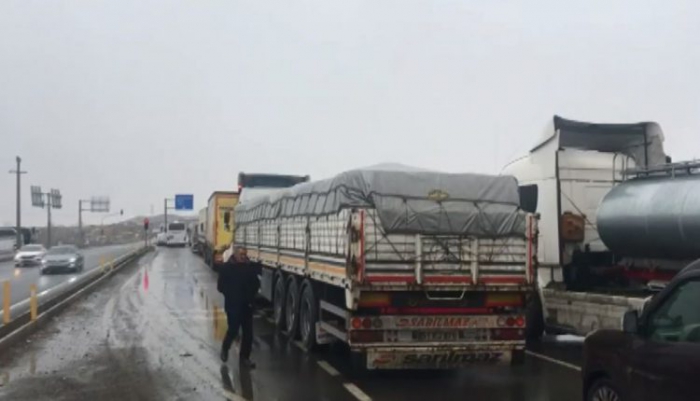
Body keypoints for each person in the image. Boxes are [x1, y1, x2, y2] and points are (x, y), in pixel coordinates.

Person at [217, 245, 260, 368]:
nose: (243, 257)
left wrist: (252, 296)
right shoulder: (226, 268)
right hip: (233, 305)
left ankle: (245, 358)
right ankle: (225, 348)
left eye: (244, 254)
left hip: (247, 306)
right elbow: (220, 287)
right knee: (233, 330)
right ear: (235, 255)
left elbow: (256, 284)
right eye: (241, 254)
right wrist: (230, 294)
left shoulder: (249, 268)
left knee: (248, 334)